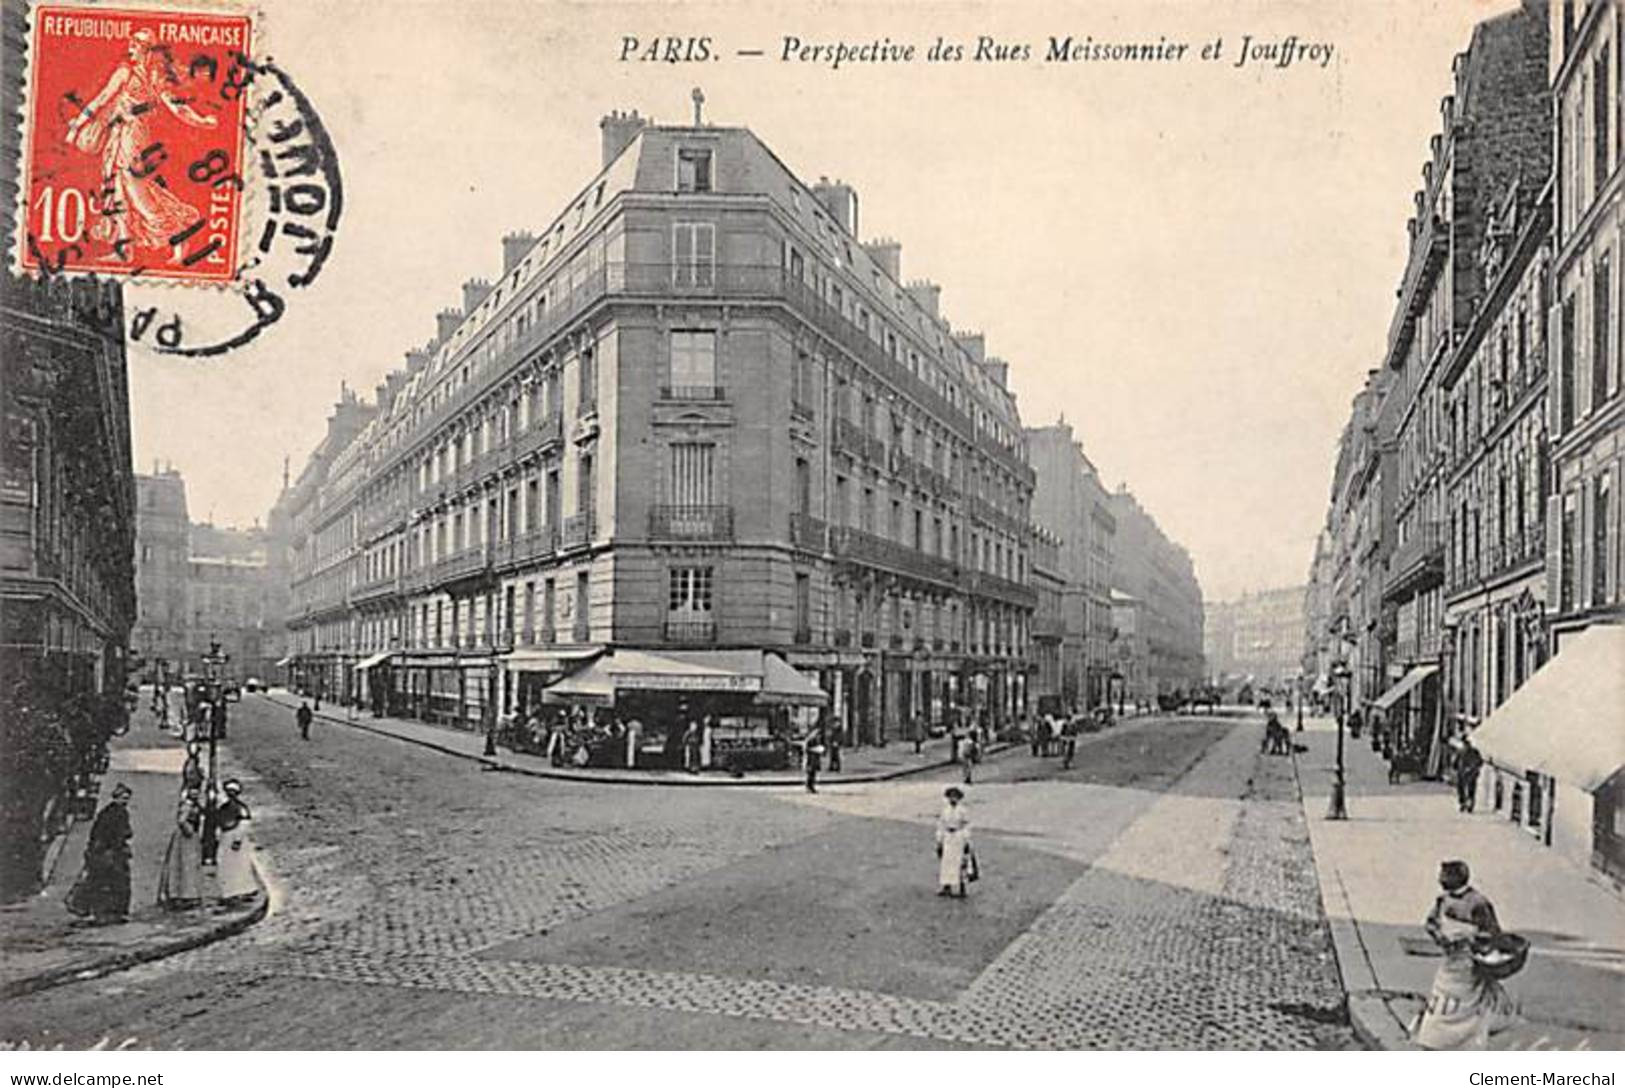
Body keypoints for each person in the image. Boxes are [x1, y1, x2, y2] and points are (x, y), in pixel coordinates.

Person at [1413, 860, 1517, 1049]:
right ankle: (1451, 1040)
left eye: (1444, 876)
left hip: (1464, 960)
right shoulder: (1448, 900)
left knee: (1449, 998)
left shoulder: (1474, 902)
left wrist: (1454, 939)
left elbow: (1490, 932)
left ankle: (1442, 1039)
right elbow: (1492, 933)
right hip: (1459, 960)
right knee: (1457, 999)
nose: (1440, 880)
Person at [67, 783, 133, 925]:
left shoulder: (105, 812)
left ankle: (95, 911)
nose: (125, 801)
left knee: (98, 882)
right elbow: (122, 833)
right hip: (111, 854)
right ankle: (111, 912)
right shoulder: (120, 813)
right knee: (116, 883)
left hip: (101, 853)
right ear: (117, 798)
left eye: (127, 799)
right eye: (124, 798)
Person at [157, 790, 205, 911]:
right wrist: (188, 830)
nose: (195, 796)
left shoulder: (196, 805)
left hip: (191, 836)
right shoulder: (187, 805)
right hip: (185, 837)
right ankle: (182, 894)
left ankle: (187, 894)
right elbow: (181, 820)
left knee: (189, 865)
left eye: (197, 794)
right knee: (184, 864)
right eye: (193, 794)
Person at [212, 780, 256, 904]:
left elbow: (244, 823)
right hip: (225, 836)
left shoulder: (241, 808)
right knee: (224, 864)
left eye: (233, 792)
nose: (230, 794)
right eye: (228, 792)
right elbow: (219, 822)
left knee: (239, 864)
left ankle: (242, 890)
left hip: (235, 837)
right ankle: (228, 892)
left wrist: (238, 839)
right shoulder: (223, 807)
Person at [935, 787, 973, 898]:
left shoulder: (963, 810)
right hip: (948, 837)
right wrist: (939, 841)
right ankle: (947, 887)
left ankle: (962, 888)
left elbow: (967, 825)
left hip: (958, 836)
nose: (953, 799)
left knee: (960, 862)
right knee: (947, 862)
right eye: (951, 797)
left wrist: (966, 839)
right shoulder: (945, 810)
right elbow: (941, 825)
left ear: (959, 798)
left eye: (955, 797)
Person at [1456, 739, 1484, 813]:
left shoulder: (1463, 752)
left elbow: (1480, 762)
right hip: (1466, 773)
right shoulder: (1463, 752)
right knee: (1464, 789)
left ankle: (1467, 804)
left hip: (1467, 774)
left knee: (1467, 789)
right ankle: (1465, 803)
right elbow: (1480, 762)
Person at [804, 729, 824, 793]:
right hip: (811, 759)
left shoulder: (814, 740)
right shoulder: (811, 740)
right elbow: (807, 749)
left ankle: (810, 786)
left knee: (813, 773)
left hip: (814, 759)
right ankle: (810, 786)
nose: (819, 736)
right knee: (811, 773)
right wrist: (816, 749)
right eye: (818, 735)